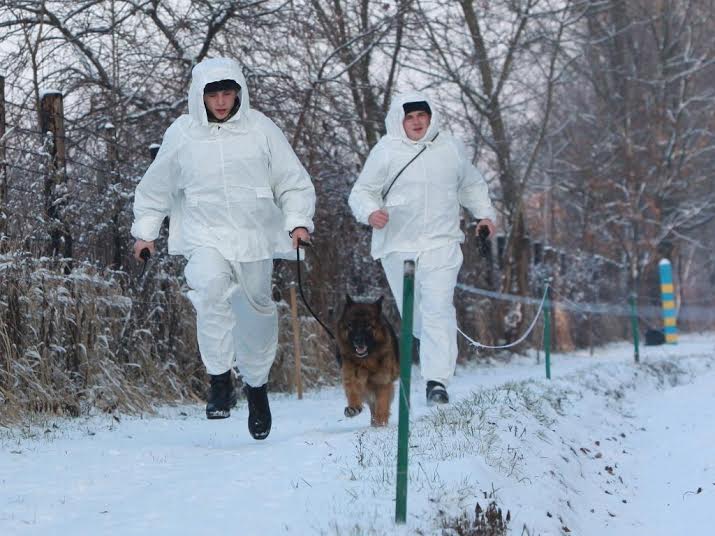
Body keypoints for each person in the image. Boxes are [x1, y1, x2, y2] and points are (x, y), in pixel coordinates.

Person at [131, 57, 315, 440]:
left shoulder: (261, 128)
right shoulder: (182, 133)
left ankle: (257, 388)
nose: (220, 101)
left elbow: (292, 180)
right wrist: (146, 232)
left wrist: (297, 221)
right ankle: (219, 380)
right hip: (204, 234)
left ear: (239, 93)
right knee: (210, 289)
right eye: (213, 93)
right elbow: (156, 187)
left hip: (255, 237)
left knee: (257, 312)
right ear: (200, 95)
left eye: (227, 92)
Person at [348, 92, 496, 405]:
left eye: (422, 116)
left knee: (438, 309)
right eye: (410, 117)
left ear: (431, 117)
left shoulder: (450, 148)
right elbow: (362, 191)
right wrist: (370, 212)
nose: (416, 122)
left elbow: (470, 184)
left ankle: (436, 382)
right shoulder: (386, 150)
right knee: (416, 317)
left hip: (442, 243)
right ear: (400, 120)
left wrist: (484, 215)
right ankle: (431, 350)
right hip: (398, 245)